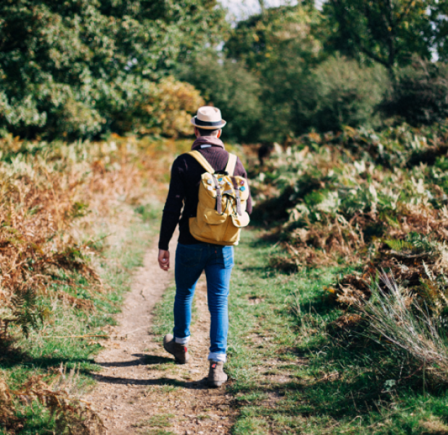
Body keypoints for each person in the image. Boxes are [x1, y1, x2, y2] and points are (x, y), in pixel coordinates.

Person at [157, 106, 252, 387]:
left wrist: (164, 244)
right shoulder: (235, 162)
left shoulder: (184, 161)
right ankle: (216, 365)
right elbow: (247, 206)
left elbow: (173, 206)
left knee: (184, 294)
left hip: (189, 241)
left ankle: (180, 345)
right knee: (219, 302)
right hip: (223, 245)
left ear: (196, 131)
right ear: (219, 131)